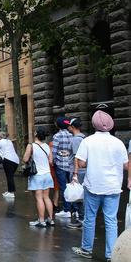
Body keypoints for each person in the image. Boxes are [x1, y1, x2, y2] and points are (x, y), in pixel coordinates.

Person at [71, 111, 129, 261]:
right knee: (111, 221)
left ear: (94, 124)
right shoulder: (118, 143)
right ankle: (111, 254)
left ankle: (86, 249)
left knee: (90, 219)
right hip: (113, 186)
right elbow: (125, 165)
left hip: (93, 186)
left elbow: (82, 163)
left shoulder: (88, 141)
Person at [22, 127, 54, 227]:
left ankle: (41, 220)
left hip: (37, 175)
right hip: (47, 174)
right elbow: (50, 161)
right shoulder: (47, 146)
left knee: (39, 198)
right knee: (47, 197)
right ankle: (50, 219)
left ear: (36, 134)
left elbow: (25, 159)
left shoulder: (31, 146)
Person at [52, 117, 74, 219]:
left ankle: (66, 210)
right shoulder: (71, 135)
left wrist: (54, 161)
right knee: (71, 186)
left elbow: (54, 151)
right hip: (70, 165)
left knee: (63, 188)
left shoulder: (57, 136)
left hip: (60, 165)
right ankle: (73, 209)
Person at [0, 131, 20, 199]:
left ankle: (11, 192)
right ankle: (9, 191)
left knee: (9, 176)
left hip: (8, 160)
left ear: (0, 136)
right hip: (16, 160)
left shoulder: (0, 142)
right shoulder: (9, 141)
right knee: (10, 176)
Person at [67, 117, 86, 229]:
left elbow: (76, 157)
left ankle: (81, 220)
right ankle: (82, 219)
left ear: (73, 127)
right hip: (83, 170)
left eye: (69, 125)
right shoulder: (84, 137)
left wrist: (75, 173)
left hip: (78, 171)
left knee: (78, 196)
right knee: (81, 195)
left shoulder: (76, 139)